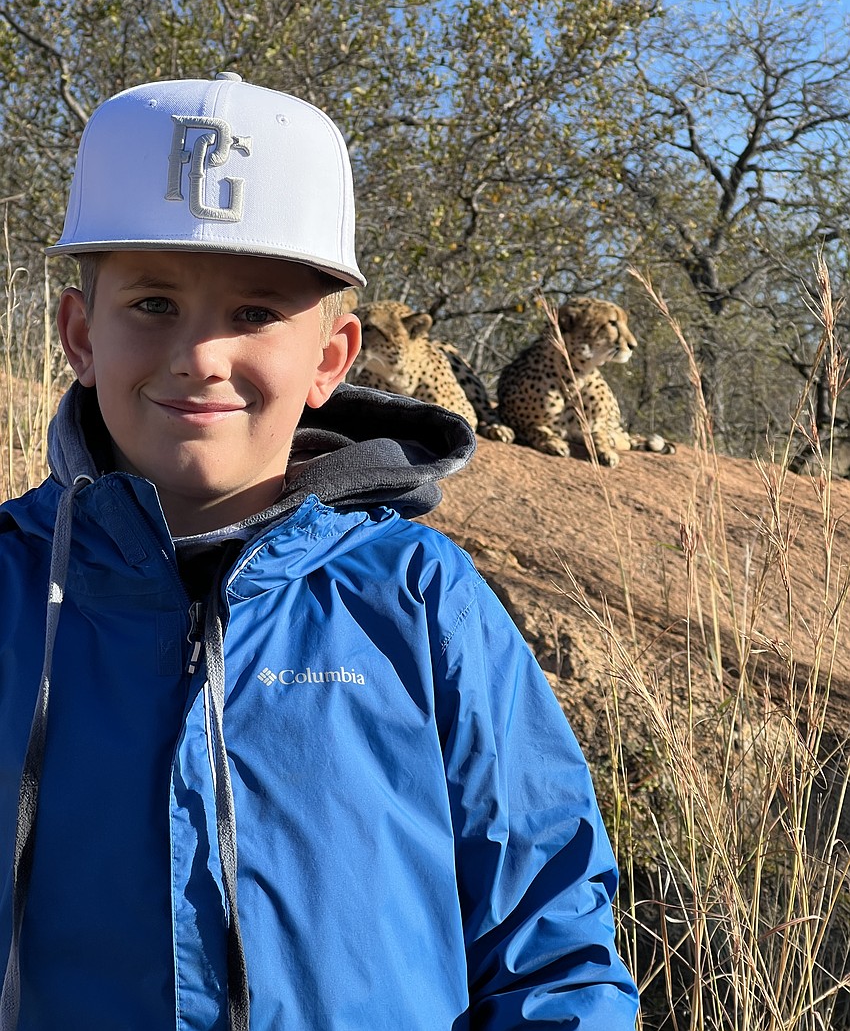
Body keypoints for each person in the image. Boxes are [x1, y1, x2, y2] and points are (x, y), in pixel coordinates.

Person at [0, 72, 639, 1030]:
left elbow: (550, 940)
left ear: (332, 359)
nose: (201, 356)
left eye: (255, 313)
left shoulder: (422, 602)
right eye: (154, 303)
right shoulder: (10, 590)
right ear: (80, 333)